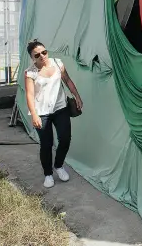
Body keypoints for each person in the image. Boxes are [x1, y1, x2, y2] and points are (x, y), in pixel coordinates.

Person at [24, 39, 83, 188]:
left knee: (65, 138)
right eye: (37, 55)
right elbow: (30, 95)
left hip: (60, 108)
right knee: (46, 144)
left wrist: (77, 96)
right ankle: (48, 174)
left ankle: (59, 166)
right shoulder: (30, 73)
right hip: (41, 113)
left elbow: (68, 80)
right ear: (32, 58)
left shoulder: (58, 63)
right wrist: (34, 114)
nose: (42, 56)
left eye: (44, 52)